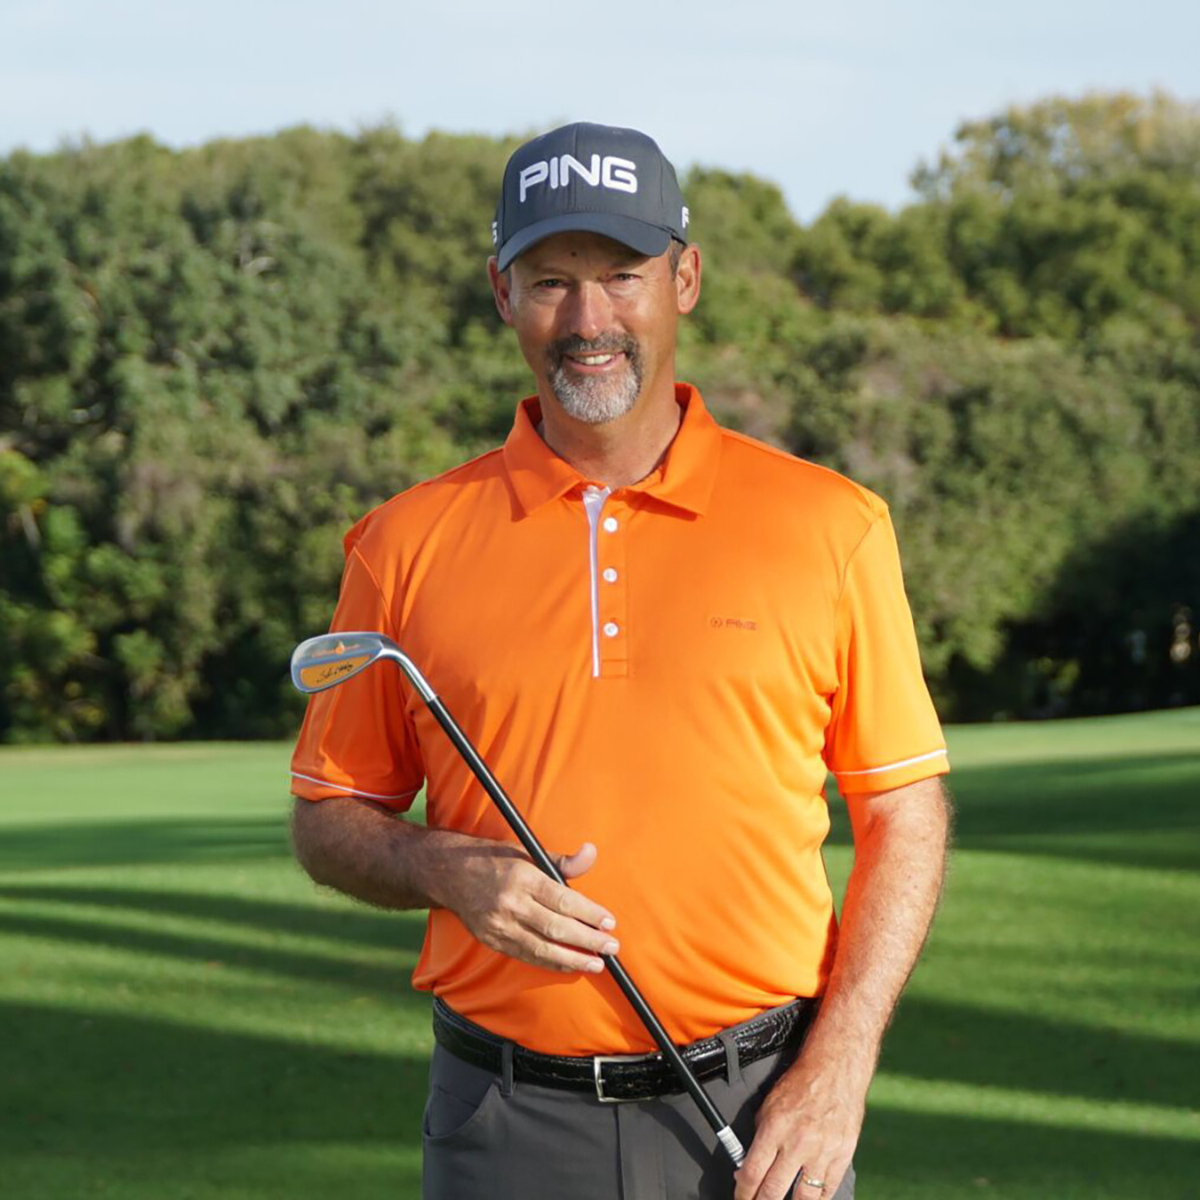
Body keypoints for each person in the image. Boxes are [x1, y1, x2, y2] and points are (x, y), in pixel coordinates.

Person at [289, 122, 952, 1200]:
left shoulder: (829, 524)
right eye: (551, 280)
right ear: (501, 294)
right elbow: (328, 818)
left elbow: (903, 811)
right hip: (503, 1122)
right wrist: (437, 868)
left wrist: (840, 1064)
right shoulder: (405, 542)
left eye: (622, 276)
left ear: (683, 279)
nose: (588, 320)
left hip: (759, 1111)